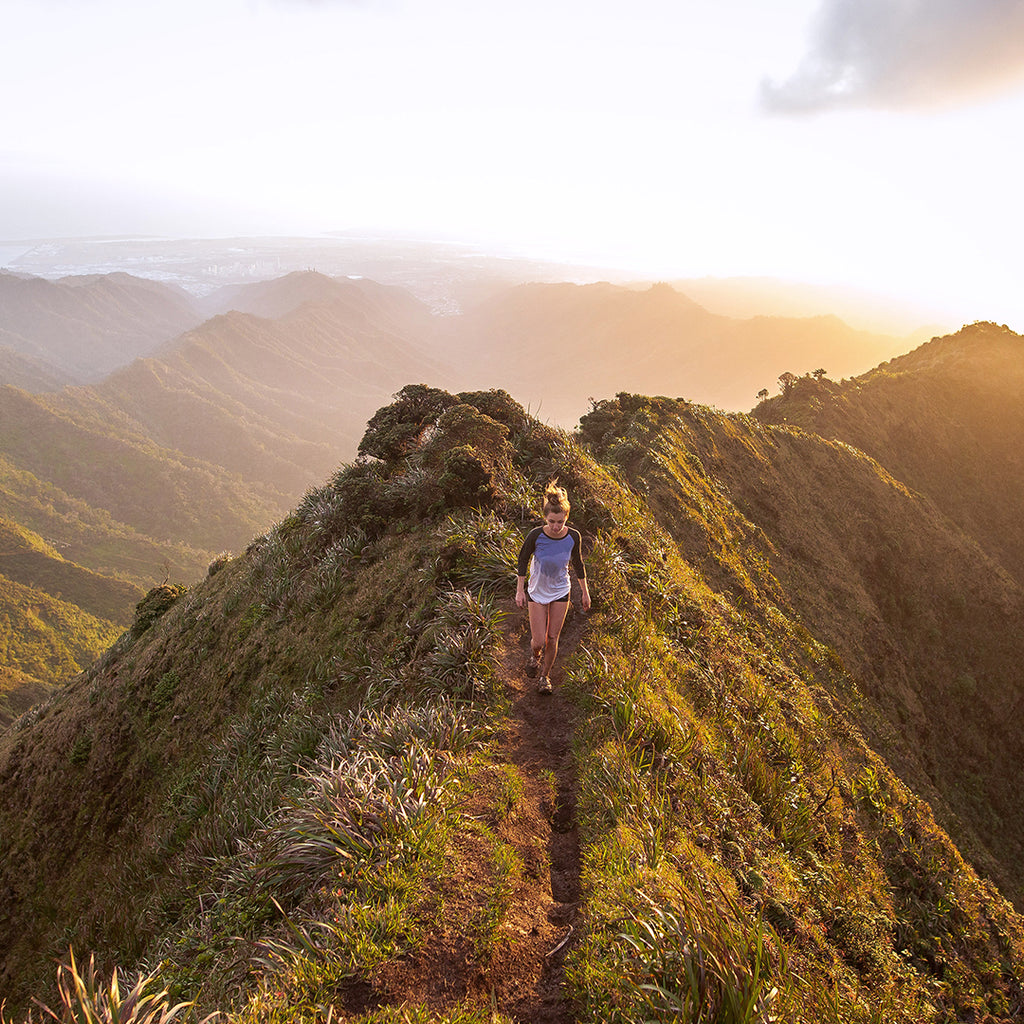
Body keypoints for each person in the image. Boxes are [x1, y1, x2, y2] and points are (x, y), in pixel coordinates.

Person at [515, 480, 591, 694]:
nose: (556, 526)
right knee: (538, 641)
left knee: (552, 638)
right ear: (545, 518)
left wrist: (585, 593)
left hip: (561, 590)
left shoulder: (573, 536)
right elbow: (522, 560)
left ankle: (545, 677)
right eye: (551, 522)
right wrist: (520, 590)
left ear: (566, 518)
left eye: (560, 522)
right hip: (537, 591)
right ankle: (535, 656)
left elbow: (578, 564)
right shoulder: (536, 535)